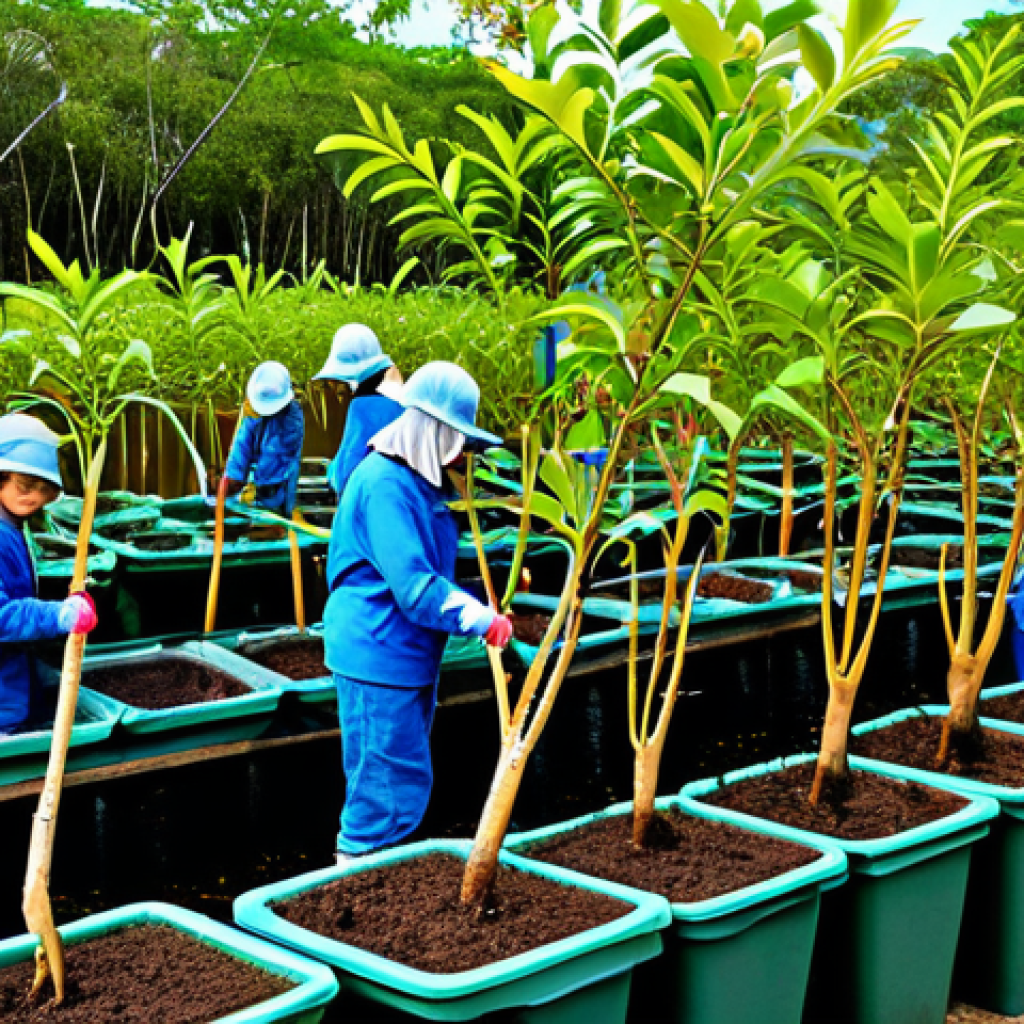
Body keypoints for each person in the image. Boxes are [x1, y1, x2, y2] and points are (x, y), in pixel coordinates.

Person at [324, 361, 513, 862]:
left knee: (398, 778)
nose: (462, 455)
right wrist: (478, 617)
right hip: (377, 650)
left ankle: (372, 876)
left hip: (402, 653)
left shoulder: (419, 482)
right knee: (380, 794)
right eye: (458, 439)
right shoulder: (386, 484)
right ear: (432, 429)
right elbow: (414, 586)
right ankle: (355, 884)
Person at [0, 414, 98, 734]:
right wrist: (58, 616)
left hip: (14, 682)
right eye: (26, 485)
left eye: (44, 489)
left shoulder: (14, 526)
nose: (34, 498)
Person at [315, 324, 403, 498]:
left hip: (367, 503)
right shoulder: (405, 401)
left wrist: (332, 471)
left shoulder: (362, 407)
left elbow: (345, 473)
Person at [223, 361, 305, 515]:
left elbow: (274, 462)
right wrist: (231, 480)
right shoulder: (253, 412)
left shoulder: (290, 420)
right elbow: (241, 448)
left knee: (273, 515)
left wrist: (254, 486)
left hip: (275, 495)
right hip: (251, 492)